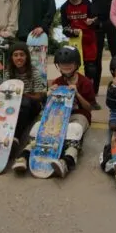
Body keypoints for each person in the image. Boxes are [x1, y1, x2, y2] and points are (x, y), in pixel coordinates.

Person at [13, 46, 95, 178]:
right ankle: (24, 157)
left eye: (70, 63)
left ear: (77, 64)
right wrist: (49, 94)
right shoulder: (57, 82)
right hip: (58, 114)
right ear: (58, 65)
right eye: (62, 63)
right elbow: (47, 107)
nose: (66, 66)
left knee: (74, 129)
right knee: (38, 127)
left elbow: (89, 108)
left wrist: (77, 94)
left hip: (79, 114)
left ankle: (66, 161)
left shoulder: (85, 82)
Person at [0, 42, 48, 148]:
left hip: (31, 106)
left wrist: (23, 95)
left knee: (24, 103)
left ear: (27, 57)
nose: (19, 58)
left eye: (22, 55)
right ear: (12, 58)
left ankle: (16, 137)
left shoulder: (34, 73)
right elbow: (5, 93)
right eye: (15, 55)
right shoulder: (8, 73)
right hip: (13, 105)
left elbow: (39, 97)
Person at [59, 0, 100, 108]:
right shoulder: (65, 7)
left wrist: (92, 22)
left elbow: (97, 21)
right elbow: (65, 28)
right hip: (75, 43)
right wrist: (71, 31)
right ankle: (74, 96)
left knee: (91, 70)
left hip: (89, 41)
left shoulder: (87, 3)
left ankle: (91, 99)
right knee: (74, 70)